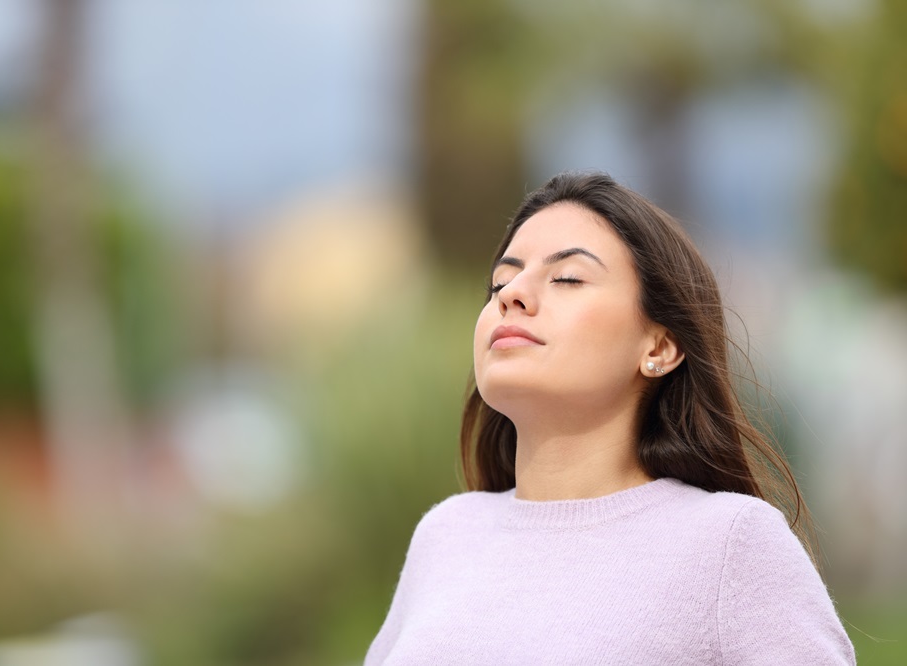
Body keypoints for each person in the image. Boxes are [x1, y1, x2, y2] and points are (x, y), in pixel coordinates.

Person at [364, 172, 856, 665]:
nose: (512, 294)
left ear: (660, 346)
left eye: (567, 278)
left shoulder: (730, 544)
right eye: (499, 282)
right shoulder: (446, 536)